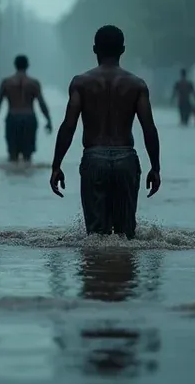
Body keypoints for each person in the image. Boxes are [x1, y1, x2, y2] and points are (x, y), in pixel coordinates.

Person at [49, 25, 161, 239]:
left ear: (94, 49)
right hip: (126, 159)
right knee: (126, 237)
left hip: (94, 159)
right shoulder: (137, 85)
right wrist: (155, 168)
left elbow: (68, 126)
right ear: (123, 50)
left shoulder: (81, 83)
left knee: (95, 238)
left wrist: (56, 165)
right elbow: (149, 128)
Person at [0, 54, 52, 164]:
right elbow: (41, 103)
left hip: (12, 118)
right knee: (28, 157)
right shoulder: (34, 83)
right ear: (27, 65)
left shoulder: (6, 82)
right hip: (29, 118)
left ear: (15, 65)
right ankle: (27, 174)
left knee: (12, 156)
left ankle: (13, 174)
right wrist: (48, 120)